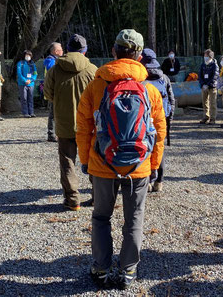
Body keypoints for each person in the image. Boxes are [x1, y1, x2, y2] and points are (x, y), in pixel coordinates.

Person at [76, 29, 166, 290]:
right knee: (134, 220)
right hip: (138, 167)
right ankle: (127, 272)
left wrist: (85, 160)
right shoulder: (149, 90)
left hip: (102, 164)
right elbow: (159, 132)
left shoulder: (95, 85)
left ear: (114, 52)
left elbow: (83, 127)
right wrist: (154, 164)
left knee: (101, 217)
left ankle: (101, 270)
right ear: (138, 57)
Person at [44, 34, 97, 211]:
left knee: (67, 161)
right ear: (85, 50)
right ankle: (97, 197)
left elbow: (48, 95)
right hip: (89, 125)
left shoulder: (55, 69)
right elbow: (99, 98)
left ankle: (72, 200)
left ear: (67, 50)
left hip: (64, 123)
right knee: (93, 159)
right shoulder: (92, 70)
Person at [141, 48, 175, 193]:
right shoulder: (164, 77)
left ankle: (148, 181)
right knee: (159, 149)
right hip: (162, 118)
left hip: (145, 118)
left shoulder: (141, 78)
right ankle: (159, 182)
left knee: (145, 149)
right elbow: (172, 98)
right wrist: (169, 117)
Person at [44, 42, 64, 142]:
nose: (63, 51)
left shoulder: (55, 60)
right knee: (53, 113)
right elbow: (53, 71)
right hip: (53, 91)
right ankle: (51, 133)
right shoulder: (50, 61)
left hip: (57, 90)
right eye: (61, 49)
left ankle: (56, 133)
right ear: (56, 51)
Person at [198, 49, 219, 124]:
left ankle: (213, 118)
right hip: (204, 87)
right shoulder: (203, 65)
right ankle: (206, 116)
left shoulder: (214, 65)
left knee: (212, 103)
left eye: (206, 56)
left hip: (212, 86)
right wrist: (203, 84)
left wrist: (208, 84)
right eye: (204, 56)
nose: (205, 57)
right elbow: (200, 75)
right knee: (205, 102)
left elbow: (215, 76)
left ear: (210, 57)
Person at [17, 50, 38, 118]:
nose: (28, 57)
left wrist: (31, 80)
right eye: (26, 55)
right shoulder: (20, 63)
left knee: (30, 98)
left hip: (31, 84)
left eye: (29, 55)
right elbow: (19, 74)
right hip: (22, 84)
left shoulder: (32, 64)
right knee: (24, 99)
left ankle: (31, 112)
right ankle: (25, 113)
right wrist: (25, 80)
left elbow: (35, 73)